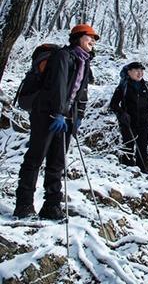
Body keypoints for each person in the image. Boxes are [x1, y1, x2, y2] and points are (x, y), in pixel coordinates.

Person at [13, 24, 99, 219]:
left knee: (57, 160)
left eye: (94, 38)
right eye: (90, 37)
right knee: (36, 157)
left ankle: (52, 205)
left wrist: (77, 118)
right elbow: (57, 86)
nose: (93, 41)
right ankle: (24, 205)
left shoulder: (84, 61)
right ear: (78, 37)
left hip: (66, 118)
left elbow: (81, 93)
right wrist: (58, 113)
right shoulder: (63, 56)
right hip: (46, 113)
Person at [109, 62, 148, 172]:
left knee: (142, 148)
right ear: (129, 72)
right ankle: (126, 171)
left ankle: (142, 172)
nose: (140, 73)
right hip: (128, 123)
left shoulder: (147, 85)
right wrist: (122, 114)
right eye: (137, 71)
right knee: (128, 148)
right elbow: (113, 104)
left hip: (144, 123)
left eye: (141, 71)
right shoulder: (123, 86)